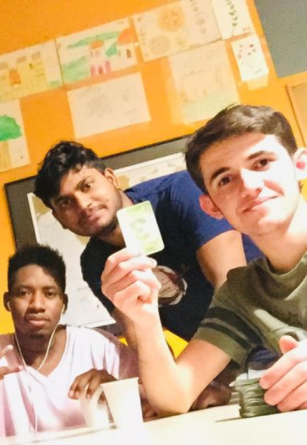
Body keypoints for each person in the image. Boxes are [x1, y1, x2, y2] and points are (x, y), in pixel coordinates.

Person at [100, 104, 307, 415]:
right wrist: (145, 318)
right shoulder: (242, 293)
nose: (249, 185)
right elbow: (175, 397)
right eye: (225, 179)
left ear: (300, 165)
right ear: (211, 207)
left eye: (262, 162)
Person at [33, 140, 262, 345]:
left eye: (86, 186)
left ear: (111, 178)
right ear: (58, 218)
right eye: (65, 203)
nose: (83, 204)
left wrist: (196, 373)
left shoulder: (179, 193)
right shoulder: (95, 264)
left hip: (271, 332)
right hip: (223, 366)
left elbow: (232, 290)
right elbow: (142, 339)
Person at [0, 245, 140, 445]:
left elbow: (148, 409)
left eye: (49, 293)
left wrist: (116, 391)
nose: (37, 305)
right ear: (7, 302)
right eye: (24, 293)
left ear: (64, 303)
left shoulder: (99, 348)